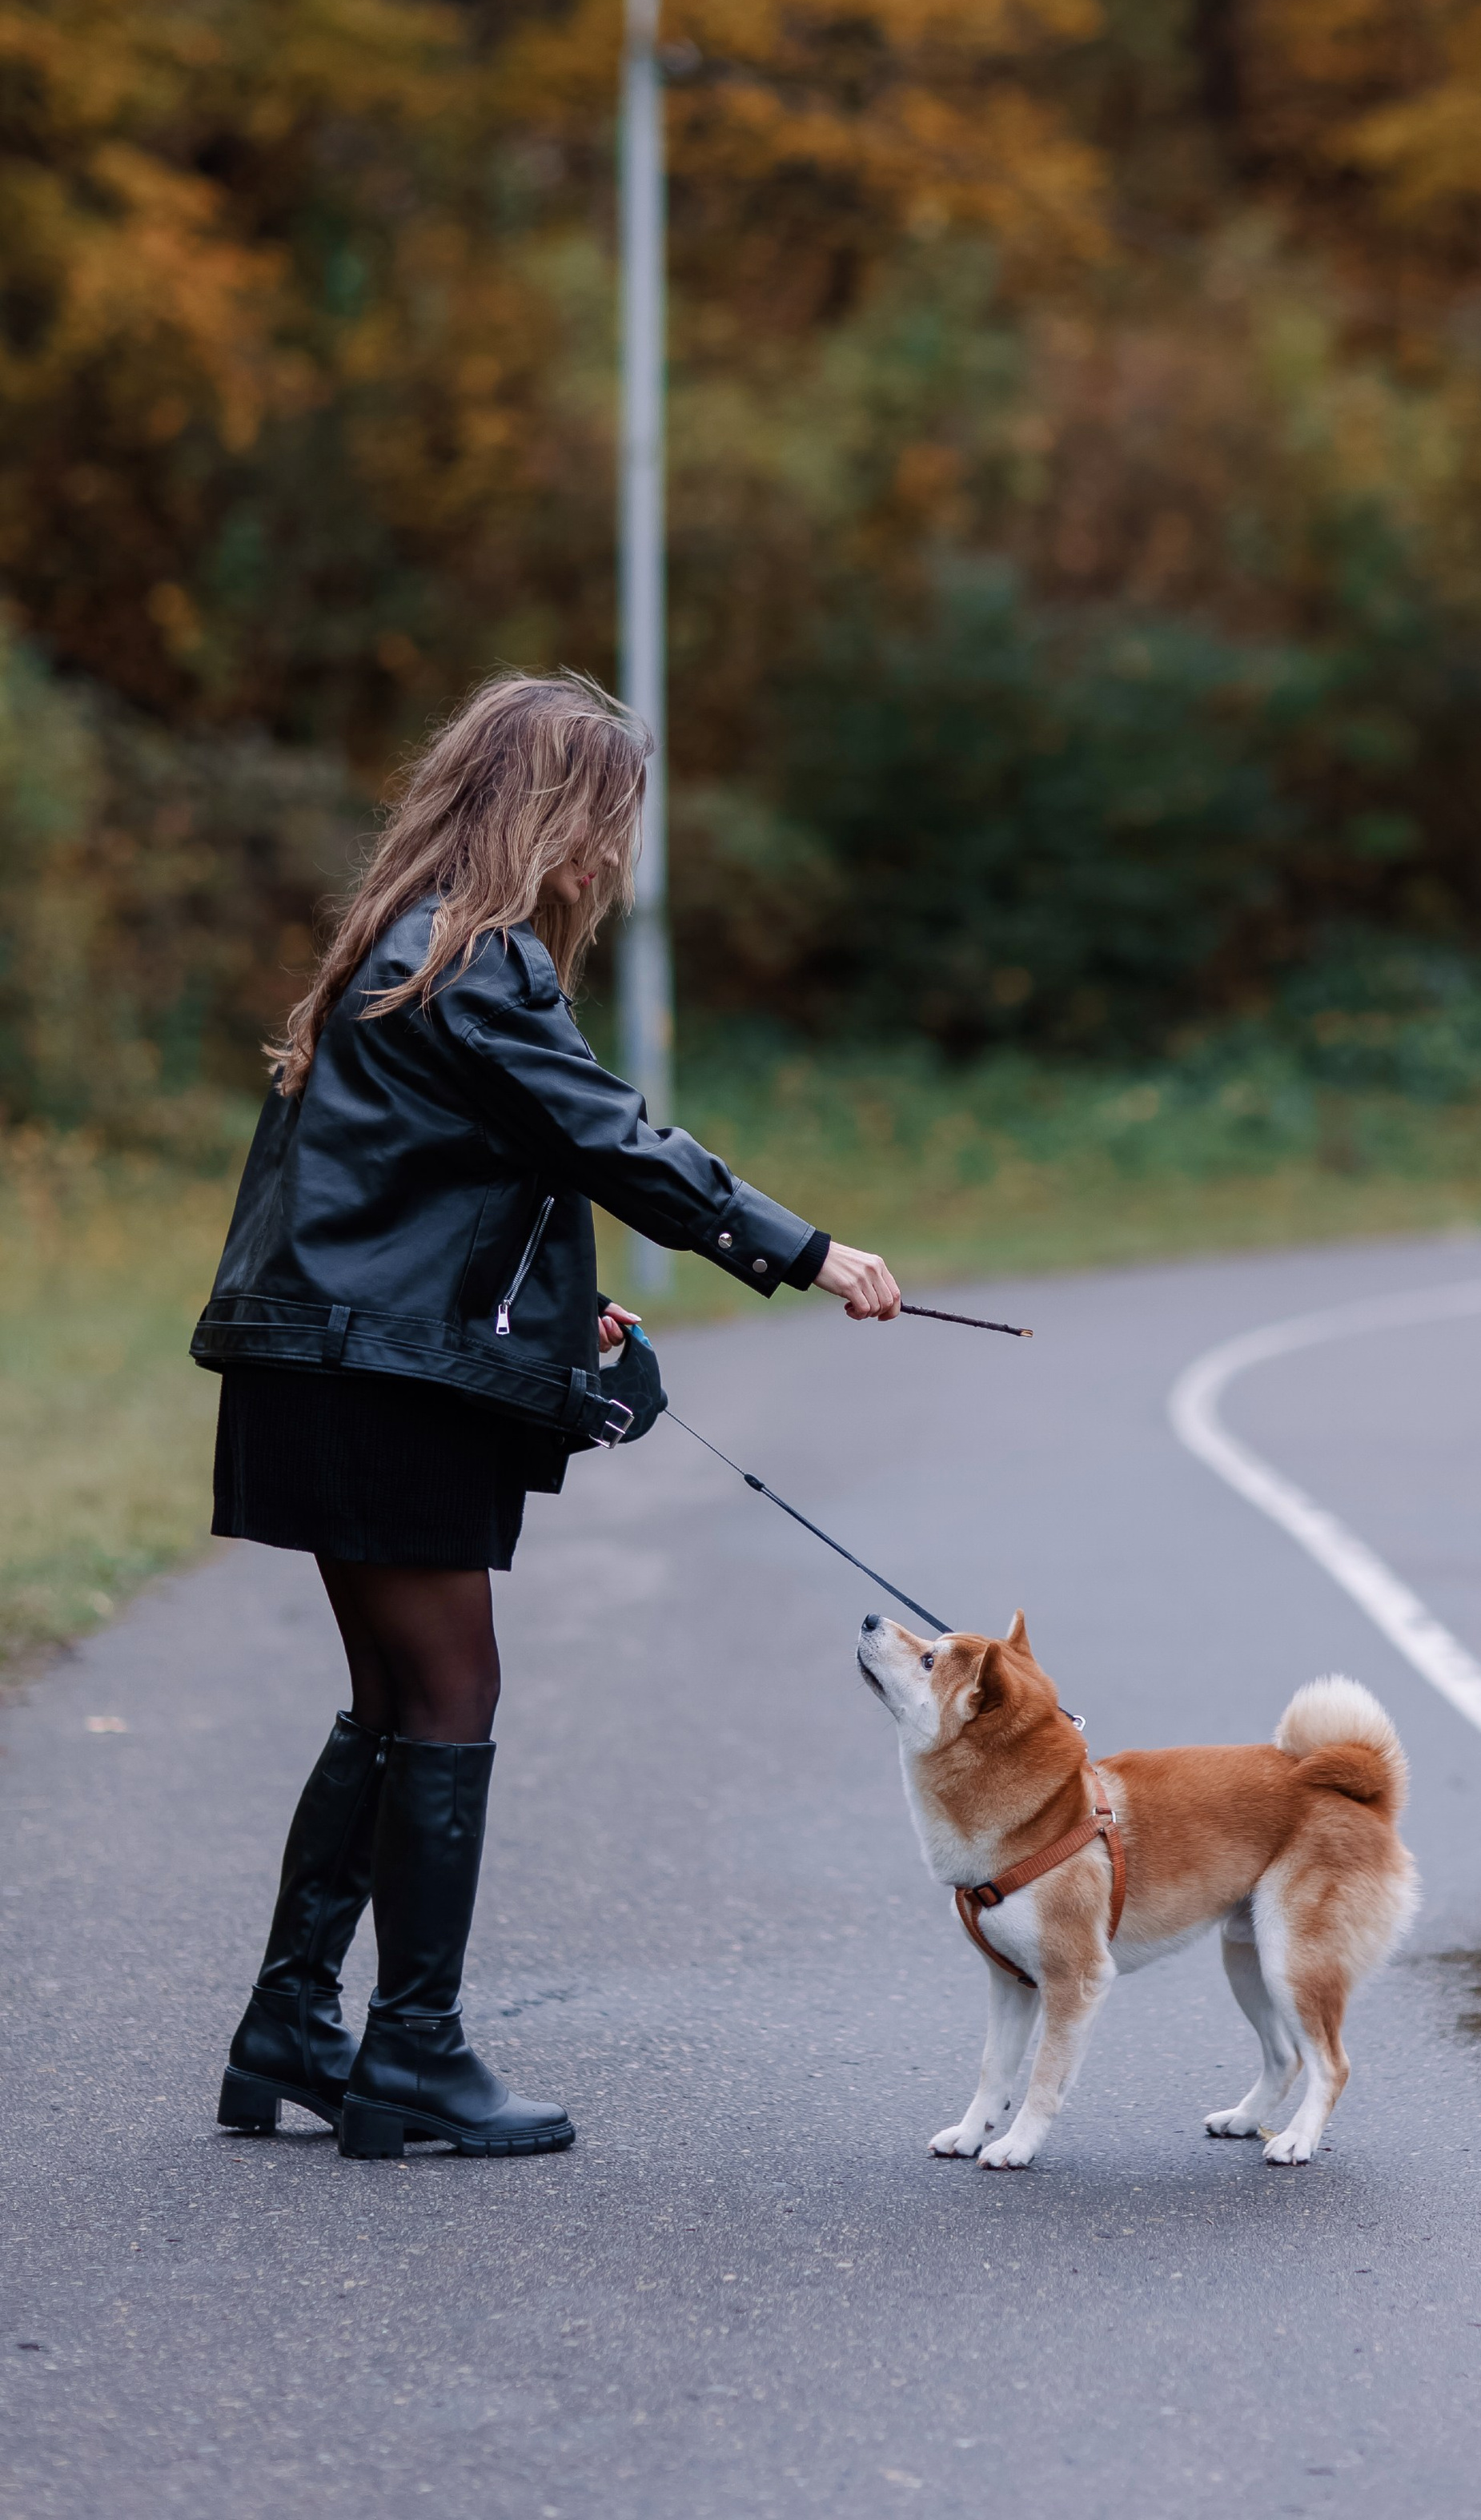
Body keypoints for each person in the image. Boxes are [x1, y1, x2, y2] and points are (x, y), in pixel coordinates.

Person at [191, 669, 899, 2160]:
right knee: (451, 1697)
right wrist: (803, 1250)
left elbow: (405, 1193)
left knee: (392, 1700)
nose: (615, 854)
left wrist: (567, 1312)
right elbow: (605, 1137)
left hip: (320, 1367)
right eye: (608, 820)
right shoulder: (475, 960)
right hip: (381, 1388)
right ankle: (413, 2052)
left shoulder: (395, 945)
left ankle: (292, 2023)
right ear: (554, 815)